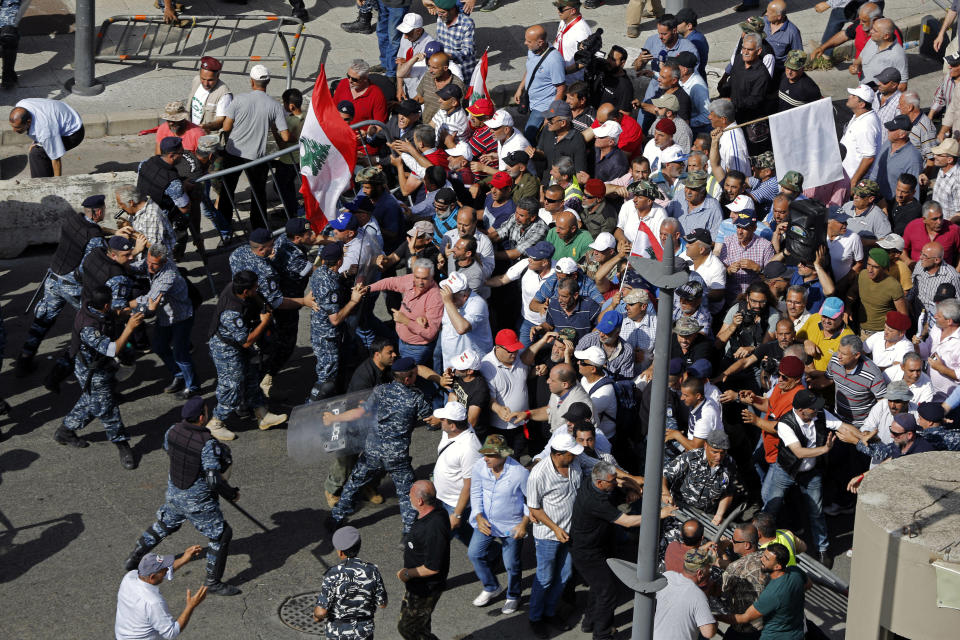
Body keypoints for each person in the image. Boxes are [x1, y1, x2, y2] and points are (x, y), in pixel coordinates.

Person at [123, 397, 242, 596]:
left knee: (164, 525)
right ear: (202, 417)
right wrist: (231, 493)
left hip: (174, 492)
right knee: (222, 535)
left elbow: (168, 449)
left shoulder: (172, 430)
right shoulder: (207, 443)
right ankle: (213, 582)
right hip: (197, 501)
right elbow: (214, 479)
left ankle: (134, 559)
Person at [327, 357, 433, 534]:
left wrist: (333, 419)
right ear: (408, 379)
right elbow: (431, 421)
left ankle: (336, 517)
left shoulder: (381, 390)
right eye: (415, 375)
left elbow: (361, 412)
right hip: (397, 457)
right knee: (407, 493)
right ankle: (409, 532)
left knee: (354, 482)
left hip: (373, 452)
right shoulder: (416, 398)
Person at [15, 194, 106, 376]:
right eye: (103, 209)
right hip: (72, 285)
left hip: (53, 278)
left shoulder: (73, 220)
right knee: (92, 323)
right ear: (97, 213)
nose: (105, 212)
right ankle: (63, 369)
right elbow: (90, 265)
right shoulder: (94, 236)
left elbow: (86, 230)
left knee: (42, 320)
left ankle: (25, 358)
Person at [54, 284, 143, 469]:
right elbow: (112, 349)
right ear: (105, 305)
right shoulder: (89, 327)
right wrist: (130, 328)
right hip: (91, 371)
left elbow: (113, 316)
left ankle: (66, 430)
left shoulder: (93, 308)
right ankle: (122, 444)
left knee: (92, 401)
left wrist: (130, 313)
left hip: (100, 366)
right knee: (107, 409)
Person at [206, 270, 289, 441]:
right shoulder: (232, 312)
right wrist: (265, 321)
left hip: (237, 343)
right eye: (254, 287)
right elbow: (246, 341)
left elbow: (256, 295)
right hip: (226, 348)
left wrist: (263, 306)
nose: (257, 289)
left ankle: (262, 414)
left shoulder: (235, 287)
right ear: (245, 291)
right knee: (232, 385)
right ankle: (216, 422)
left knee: (252, 375)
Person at [570, 461, 649, 638]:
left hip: (598, 546)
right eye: (611, 481)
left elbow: (621, 482)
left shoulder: (593, 484)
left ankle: (590, 622)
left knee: (598, 589)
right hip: (587, 553)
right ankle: (602, 633)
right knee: (608, 592)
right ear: (600, 482)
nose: (616, 483)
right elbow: (627, 521)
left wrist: (631, 489)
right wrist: (657, 513)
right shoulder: (594, 501)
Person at [761, 389, 839, 567]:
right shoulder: (785, 424)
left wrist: (861, 437)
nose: (817, 411)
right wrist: (824, 450)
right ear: (800, 410)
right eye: (813, 408)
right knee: (771, 509)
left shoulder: (820, 415)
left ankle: (823, 549)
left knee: (816, 512)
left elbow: (842, 426)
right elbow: (798, 452)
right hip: (785, 471)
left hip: (811, 473)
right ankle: (765, 547)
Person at [526, 430, 583, 638]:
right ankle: (535, 617)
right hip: (548, 536)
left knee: (565, 574)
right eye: (571, 453)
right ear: (559, 454)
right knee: (545, 578)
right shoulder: (539, 474)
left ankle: (549, 612)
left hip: (569, 533)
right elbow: (534, 508)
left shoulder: (574, 463)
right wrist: (556, 528)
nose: (575, 456)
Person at [218, 65, 290, 230]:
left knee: (227, 191)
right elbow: (285, 136)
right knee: (258, 193)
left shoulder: (239, 100)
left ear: (251, 82)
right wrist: (271, 127)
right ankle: (258, 228)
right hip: (256, 157)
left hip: (233, 152)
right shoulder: (275, 106)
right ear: (268, 82)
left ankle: (224, 227)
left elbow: (227, 127)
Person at [468, 434, 530, 614]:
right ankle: (491, 586)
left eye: (490, 455)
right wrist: (478, 515)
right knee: (474, 553)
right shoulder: (480, 466)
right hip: (486, 523)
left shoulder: (519, 473)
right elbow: (476, 492)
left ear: (503, 455)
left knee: (512, 564)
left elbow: (531, 501)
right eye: (484, 453)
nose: (485, 458)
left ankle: (513, 595)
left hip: (512, 526)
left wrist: (523, 524)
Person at [307, 243, 367, 403]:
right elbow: (335, 319)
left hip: (319, 332)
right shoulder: (331, 286)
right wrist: (354, 301)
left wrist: (346, 275)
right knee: (327, 379)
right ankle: (310, 409)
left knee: (333, 372)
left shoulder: (320, 271)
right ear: (339, 261)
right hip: (327, 336)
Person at [136, 243, 198, 398]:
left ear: (163, 262)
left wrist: (127, 306)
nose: (149, 266)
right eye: (148, 261)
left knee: (180, 353)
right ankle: (179, 375)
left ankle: (193, 386)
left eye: (153, 264)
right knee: (159, 346)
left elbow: (151, 299)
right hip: (166, 317)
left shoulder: (168, 275)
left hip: (180, 318)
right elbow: (139, 266)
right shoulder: (155, 262)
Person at [396, 480, 451, 640]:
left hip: (425, 588)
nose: (409, 497)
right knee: (421, 623)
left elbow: (432, 567)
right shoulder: (434, 513)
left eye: (411, 495)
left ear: (420, 501)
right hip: (416, 585)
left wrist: (407, 573)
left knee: (407, 628)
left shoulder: (433, 528)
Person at [717, 543, 807, 640]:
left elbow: (744, 618)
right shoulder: (795, 572)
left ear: (777, 567)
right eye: (763, 555)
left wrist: (716, 617)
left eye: (766, 559)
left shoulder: (772, 593)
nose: (761, 559)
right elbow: (809, 584)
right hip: (797, 633)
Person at [313, 526, 388, 640]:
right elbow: (382, 603)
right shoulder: (372, 571)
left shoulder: (333, 574)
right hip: (364, 633)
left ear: (340, 552)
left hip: (337, 633)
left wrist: (316, 616)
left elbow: (321, 611)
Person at [115, 549, 207, 640]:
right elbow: (171, 633)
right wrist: (191, 606)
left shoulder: (130, 577)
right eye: (163, 569)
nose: (167, 569)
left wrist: (184, 559)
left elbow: (161, 574)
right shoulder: (153, 602)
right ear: (152, 577)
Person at [662, 430, 738, 525]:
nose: (718, 457)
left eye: (722, 453)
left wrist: (719, 514)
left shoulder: (729, 464)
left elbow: (728, 492)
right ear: (706, 445)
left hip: (705, 519)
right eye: (714, 452)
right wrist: (665, 493)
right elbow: (664, 475)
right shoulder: (691, 457)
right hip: (679, 512)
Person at [515, 25, 566, 144]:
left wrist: (551, 114)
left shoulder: (554, 60)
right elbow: (530, 69)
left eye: (529, 41)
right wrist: (520, 88)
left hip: (543, 107)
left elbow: (561, 89)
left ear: (540, 42)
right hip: (532, 101)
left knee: (528, 135)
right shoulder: (532, 50)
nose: (525, 43)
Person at [9, 98, 84, 178]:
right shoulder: (21, 104)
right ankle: (46, 177)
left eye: (18, 128)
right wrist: (35, 141)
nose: (14, 130)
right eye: (13, 127)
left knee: (37, 153)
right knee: (40, 149)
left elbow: (56, 158)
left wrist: (57, 182)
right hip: (62, 118)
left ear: (28, 122)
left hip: (74, 132)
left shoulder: (45, 131)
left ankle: (43, 185)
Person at [652, 548, 718, 639]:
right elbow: (708, 633)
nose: (710, 571)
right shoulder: (698, 596)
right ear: (700, 573)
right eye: (709, 569)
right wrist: (715, 621)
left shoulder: (667, 576)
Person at [718, 524, 768, 640]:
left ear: (747, 545)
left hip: (744, 628)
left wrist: (721, 551)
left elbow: (723, 592)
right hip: (766, 624)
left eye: (735, 541)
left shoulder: (735, 567)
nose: (731, 541)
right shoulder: (768, 558)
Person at [841, 85, 882, 186]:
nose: (849, 96)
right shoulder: (859, 115)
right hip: (845, 176)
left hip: (851, 180)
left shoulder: (866, 126)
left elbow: (869, 157)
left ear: (861, 104)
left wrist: (853, 182)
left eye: (854, 96)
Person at [877, 115, 924, 203]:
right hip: (876, 198)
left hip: (893, 205)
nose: (888, 131)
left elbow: (913, 193)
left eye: (892, 129)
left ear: (902, 134)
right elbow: (876, 169)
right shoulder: (887, 144)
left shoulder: (913, 158)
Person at [188, 56, 232, 134]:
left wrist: (204, 127)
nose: (205, 84)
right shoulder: (196, 80)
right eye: (203, 79)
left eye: (210, 80)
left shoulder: (224, 94)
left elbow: (220, 121)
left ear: (218, 76)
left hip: (208, 139)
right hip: (191, 131)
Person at [434, 0, 476, 80]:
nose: (439, 15)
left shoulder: (466, 23)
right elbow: (439, 41)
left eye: (442, 12)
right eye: (438, 12)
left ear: (452, 10)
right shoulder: (440, 19)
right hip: (446, 68)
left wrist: (449, 56)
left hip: (463, 69)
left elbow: (468, 51)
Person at [553, 0, 591, 84]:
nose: (558, 11)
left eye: (561, 8)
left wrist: (564, 72)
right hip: (558, 75)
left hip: (571, 81)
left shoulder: (582, 32)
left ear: (573, 11)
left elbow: (583, 62)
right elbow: (557, 41)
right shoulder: (564, 20)